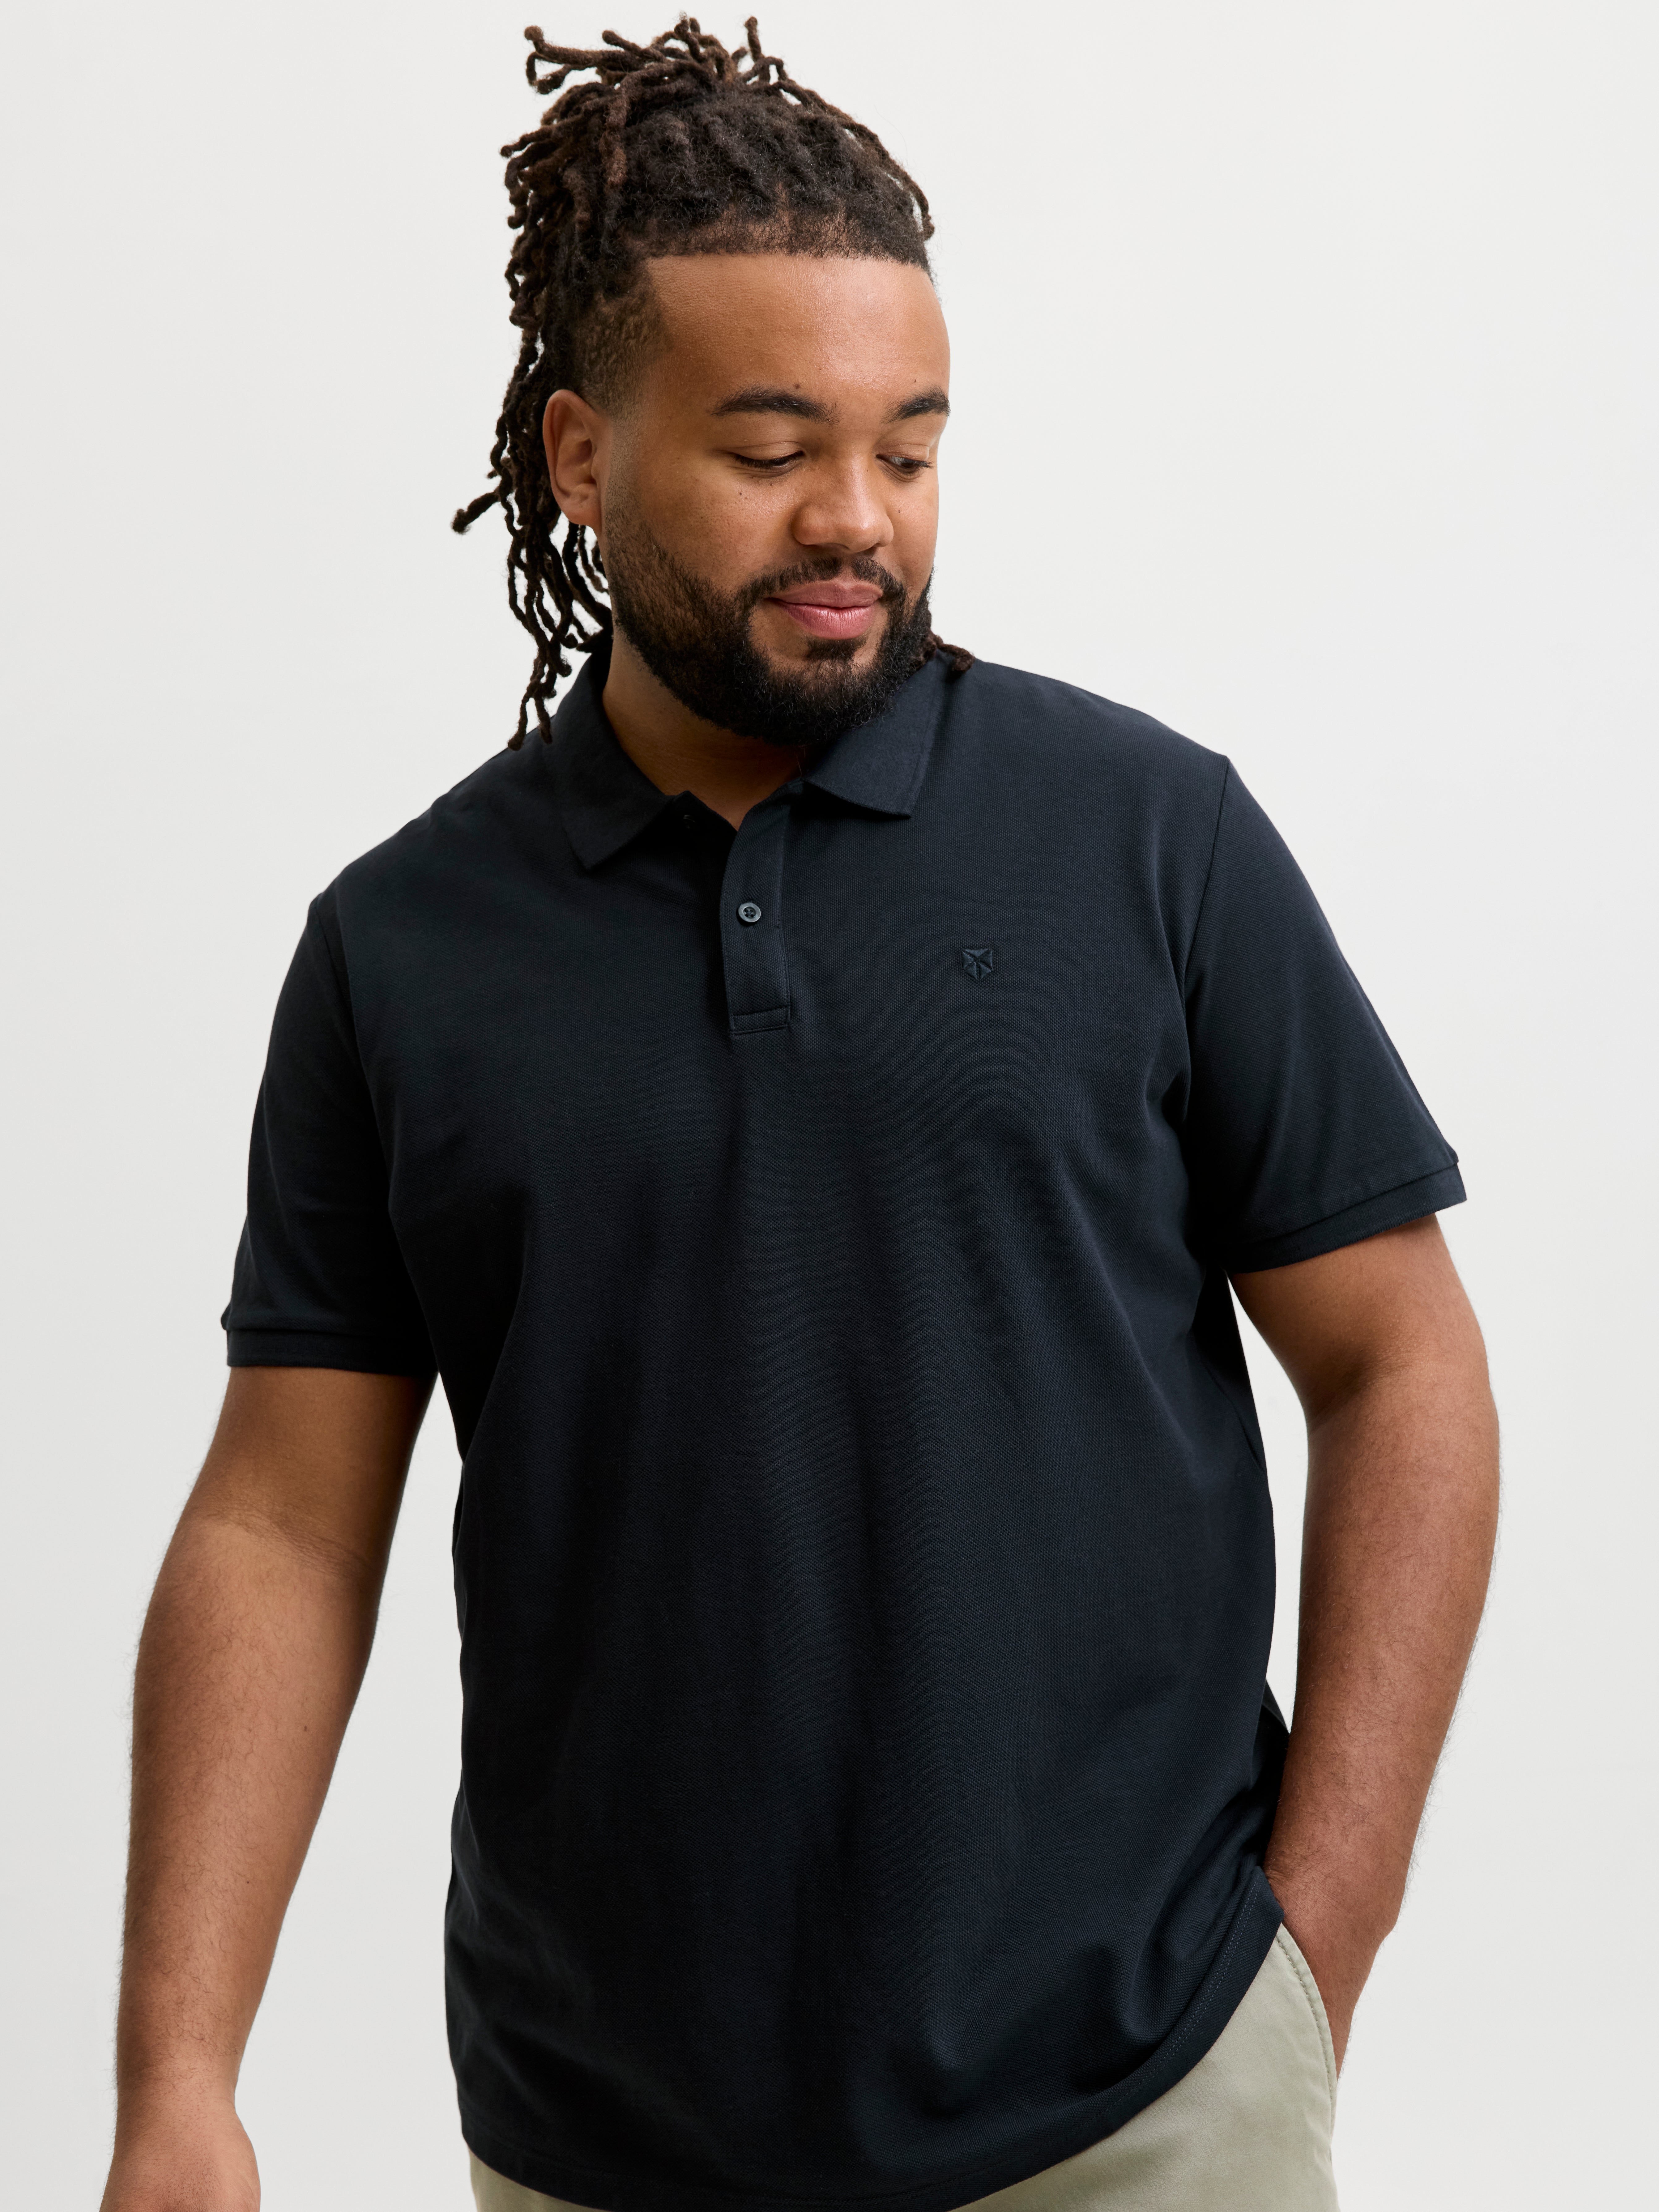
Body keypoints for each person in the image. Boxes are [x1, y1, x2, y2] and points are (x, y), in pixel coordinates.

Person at [100, 19, 1499, 2212]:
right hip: (603, 2137)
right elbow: (281, 1522)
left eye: (907, 449)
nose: (857, 517)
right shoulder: (403, 947)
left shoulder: (1151, 841)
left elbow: (1400, 1357)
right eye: (772, 449)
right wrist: (178, 2077)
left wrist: (1315, 1943)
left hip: (1144, 2106)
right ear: (580, 454)